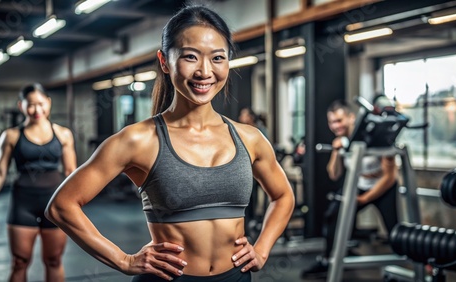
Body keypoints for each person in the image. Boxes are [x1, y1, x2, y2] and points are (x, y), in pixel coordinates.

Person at [45, 5, 295, 282]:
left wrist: (261, 250)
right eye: (190, 57)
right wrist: (124, 260)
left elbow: (283, 196)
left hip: (236, 277)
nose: (205, 71)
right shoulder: (138, 140)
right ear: (164, 61)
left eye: (217, 58)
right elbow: (61, 206)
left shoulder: (250, 138)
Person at [0, 83, 77, 282]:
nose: (37, 110)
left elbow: (71, 172)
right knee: (19, 261)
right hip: (22, 203)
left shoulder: (63, 134)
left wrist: (76, 205)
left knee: (53, 260)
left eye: (41, 104)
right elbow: (0, 171)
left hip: (55, 203)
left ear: (49, 103)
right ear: (21, 106)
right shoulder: (10, 135)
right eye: (30, 105)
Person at [301, 100, 398, 278]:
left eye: (339, 120)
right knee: (332, 215)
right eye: (332, 122)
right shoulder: (342, 142)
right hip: (358, 185)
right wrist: (336, 152)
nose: (335, 126)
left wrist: (364, 199)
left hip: (383, 188)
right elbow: (334, 174)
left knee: (395, 231)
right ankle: (328, 260)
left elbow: (390, 177)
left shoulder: (375, 138)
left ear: (352, 117)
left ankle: (404, 266)